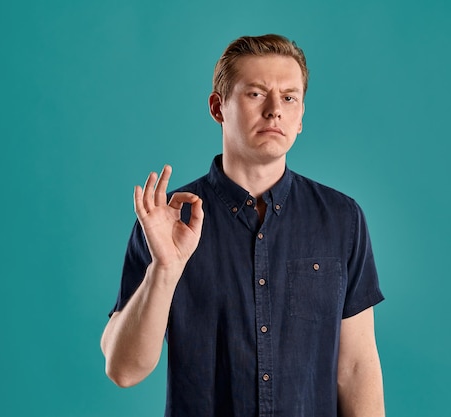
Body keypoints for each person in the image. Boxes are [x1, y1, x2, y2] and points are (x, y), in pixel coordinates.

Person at [101, 34, 385, 416]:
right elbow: (124, 370)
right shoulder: (167, 222)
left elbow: (355, 368)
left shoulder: (341, 219)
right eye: (255, 94)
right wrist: (164, 270)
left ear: (301, 116)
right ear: (218, 108)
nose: (274, 111)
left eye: (289, 97)